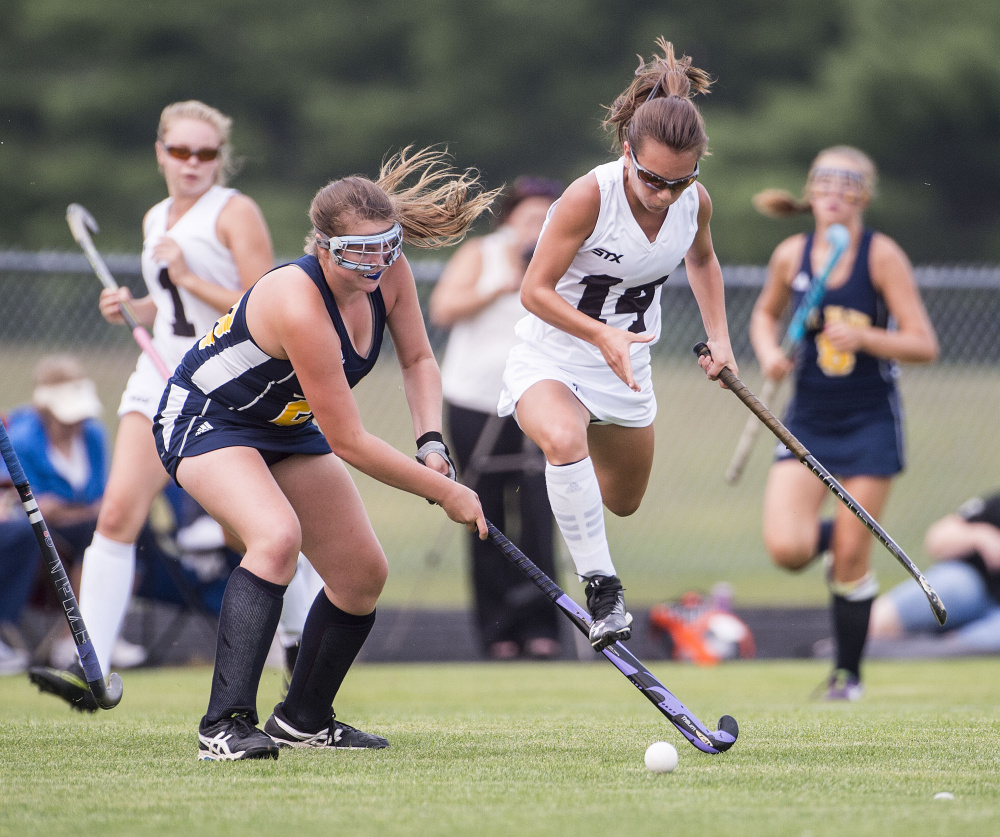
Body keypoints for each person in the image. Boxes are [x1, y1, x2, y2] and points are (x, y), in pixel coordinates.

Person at [153, 146, 495, 761]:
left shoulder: (390, 273)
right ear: (322, 246)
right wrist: (445, 491)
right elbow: (349, 440)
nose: (374, 263)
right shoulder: (297, 301)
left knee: (362, 574)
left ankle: (304, 718)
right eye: (356, 252)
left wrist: (431, 442)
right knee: (275, 537)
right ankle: (223, 726)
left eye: (386, 246)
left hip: (285, 426)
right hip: (208, 418)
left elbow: (418, 359)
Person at [28, 100, 275, 710]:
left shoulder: (236, 213)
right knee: (115, 515)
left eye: (206, 153)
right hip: (157, 378)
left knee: (252, 529)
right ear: (161, 152)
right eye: (181, 151)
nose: (192, 163)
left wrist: (188, 277)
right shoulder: (155, 217)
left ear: (221, 159)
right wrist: (131, 308)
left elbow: (267, 303)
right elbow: (165, 310)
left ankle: (296, 643)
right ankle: (94, 668)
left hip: (225, 380)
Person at [496, 38, 738, 652]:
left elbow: (704, 262)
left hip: (627, 368)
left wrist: (720, 339)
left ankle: (576, 504)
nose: (664, 193)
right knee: (561, 438)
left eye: (679, 182)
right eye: (653, 179)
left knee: (623, 501)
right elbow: (534, 290)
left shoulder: (693, 203)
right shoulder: (588, 196)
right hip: (551, 352)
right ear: (628, 153)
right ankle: (602, 590)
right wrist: (598, 332)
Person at [749, 146, 939, 700]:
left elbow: (924, 343)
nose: (834, 195)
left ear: (862, 196)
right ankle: (853, 532)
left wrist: (868, 337)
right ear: (810, 193)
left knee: (850, 563)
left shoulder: (882, 257)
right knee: (787, 548)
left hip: (869, 423)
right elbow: (765, 314)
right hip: (807, 419)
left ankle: (846, 678)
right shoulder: (792, 253)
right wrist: (769, 354)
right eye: (824, 185)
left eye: (847, 186)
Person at [430, 176, 564, 661]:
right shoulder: (483, 254)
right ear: (509, 219)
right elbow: (443, 308)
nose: (535, 227)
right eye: (528, 217)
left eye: (545, 218)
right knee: (483, 512)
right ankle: (497, 630)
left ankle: (542, 627)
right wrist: (500, 285)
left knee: (537, 513)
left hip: (535, 399)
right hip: (474, 400)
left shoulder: (562, 254)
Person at [0, 355, 109, 673]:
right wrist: (82, 510)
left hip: (86, 528)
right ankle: (76, 641)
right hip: (44, 537)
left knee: (116, 533)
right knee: (92, 534)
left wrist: (69, 509)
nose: (75, 422)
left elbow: (104, 499)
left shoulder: (94, 436)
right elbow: (33, 504)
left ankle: (87, 636)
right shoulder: (20, 439)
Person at [869, 491, 1000, 654]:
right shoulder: (994, 505)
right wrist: (980, 536)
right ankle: (861, 628)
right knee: (955, 583)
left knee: (968, 644)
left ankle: (946, 647)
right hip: (974, 587)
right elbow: (935, 541)